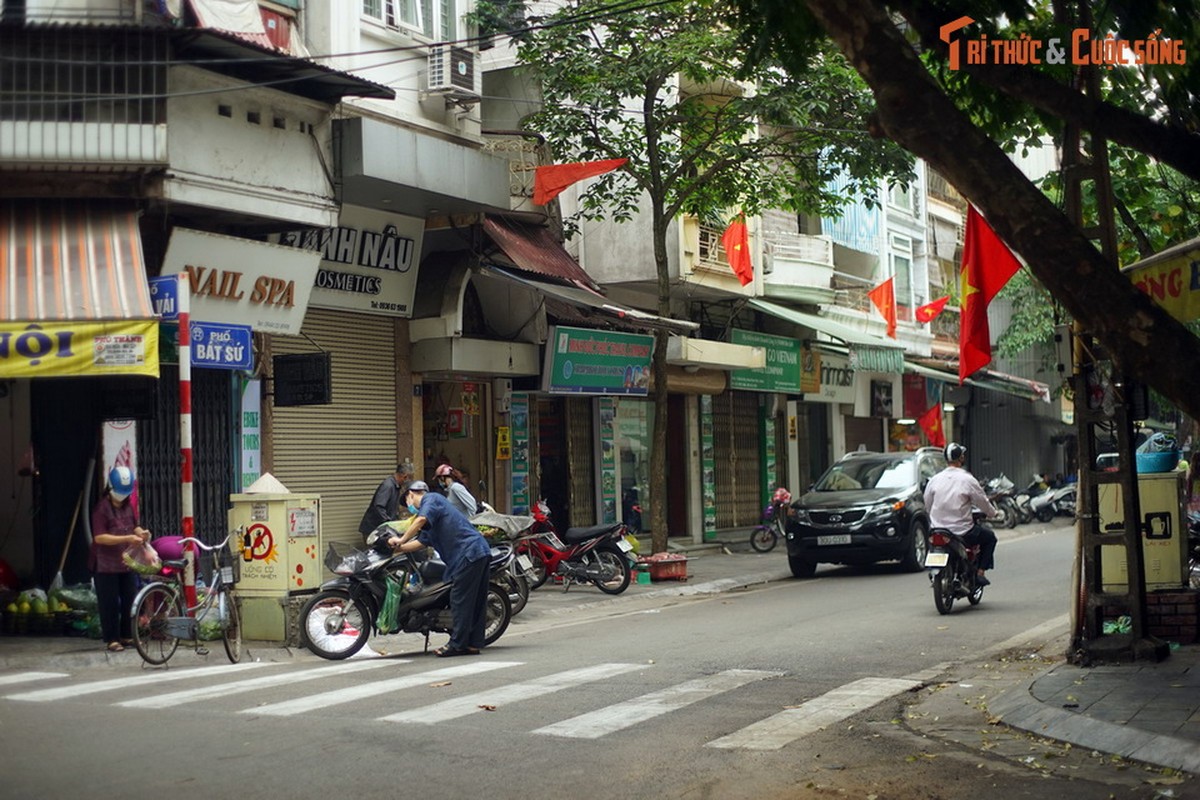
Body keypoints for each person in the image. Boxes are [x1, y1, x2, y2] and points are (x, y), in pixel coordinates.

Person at [385, 480, 492, 657]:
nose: (409, 508)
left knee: (460, 600)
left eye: (407, 503)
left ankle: (457, 645)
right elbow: (421, 542)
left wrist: (401, 539)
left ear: (411, 494)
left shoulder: (431, 499)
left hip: (469, 553)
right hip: (477, 552)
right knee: (475, 601)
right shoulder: (430, 518)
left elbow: (420, 520)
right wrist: (399, 549)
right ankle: (473, 644)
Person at [90, 466, 151, 653]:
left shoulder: (128, 506)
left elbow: (134, 526)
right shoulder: (101, 509)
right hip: (104, 564)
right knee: (108, 602)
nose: (122, 496)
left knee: (129, 599)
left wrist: (142, 533)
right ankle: (112, 639)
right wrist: (126, 539)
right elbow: (99, 537)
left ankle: (126, 635)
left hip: (125, 561)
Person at [923, 442, 998, 586]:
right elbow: (982, 501)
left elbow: (928, 503)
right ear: (961, 458)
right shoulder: (967, 479)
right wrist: (992, 513)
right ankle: (980, 572)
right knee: (990, 538)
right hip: (962, 531)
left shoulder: (935, 479)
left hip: (938, 530)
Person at [358, 465, 409, 539]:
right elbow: (378, 506)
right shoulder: (388, 486)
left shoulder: (396, 486)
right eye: (408, 478)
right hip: (373, 529)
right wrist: (388, 523)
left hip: (380, 529)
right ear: (404, 476)